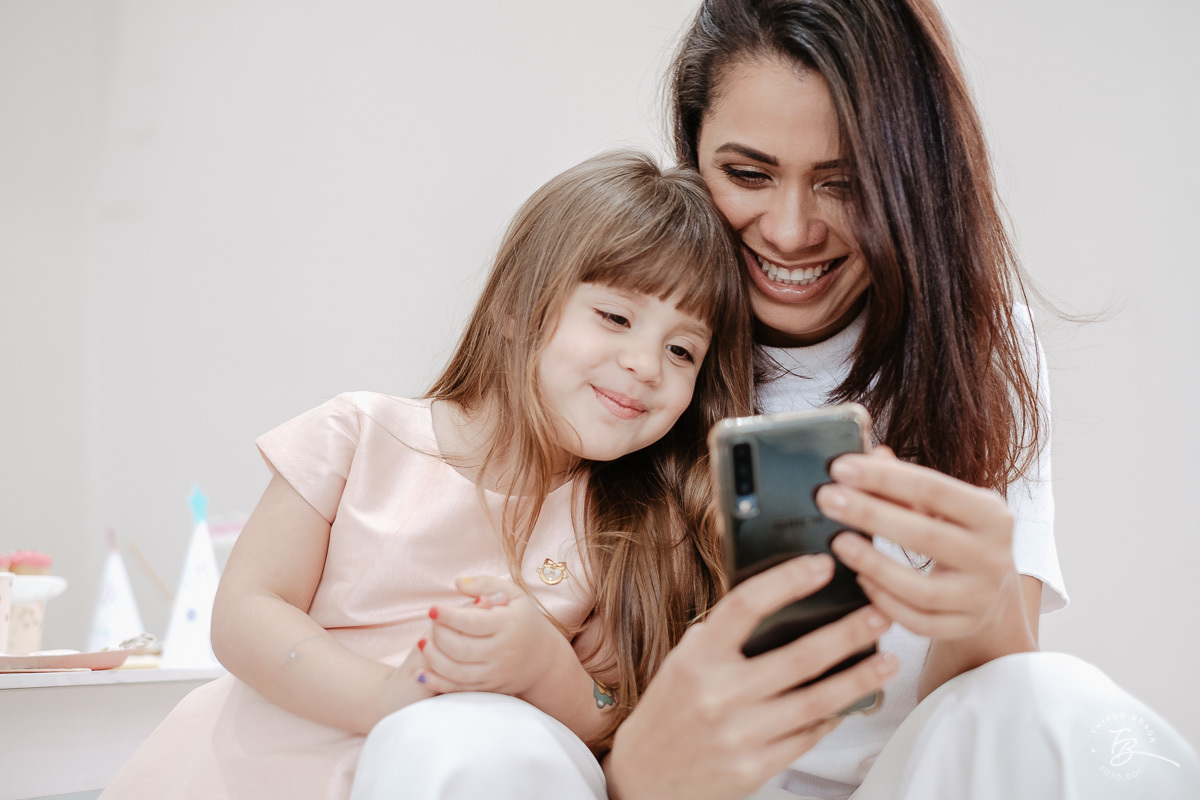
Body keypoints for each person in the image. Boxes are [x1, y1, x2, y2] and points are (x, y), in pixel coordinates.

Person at [352, 1, 1200, 798]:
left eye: (843, 182)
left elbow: (994, 718)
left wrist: (977, 605)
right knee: (448, 735)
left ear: (912, 172)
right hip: (651, 786)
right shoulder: (631, 355)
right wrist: (647, 751)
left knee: (1053, 697)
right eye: (748, 173)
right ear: (693, 149)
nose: (791, 231)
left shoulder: (978, 350)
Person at [98, 149, 756, 800]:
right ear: (514, 308)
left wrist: (546, 667)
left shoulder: (637, 523)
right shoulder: (358, 437)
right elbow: (245, 613)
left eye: (681, 349)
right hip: (252, 765)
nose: (647, 364)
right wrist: (386, 696)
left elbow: (611, 709)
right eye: (615, 317)